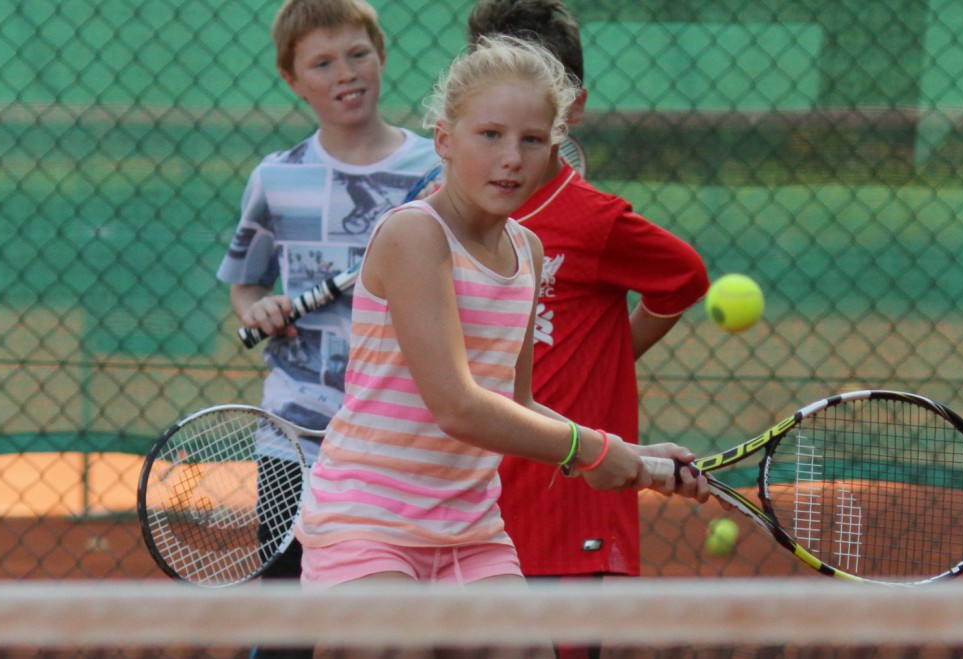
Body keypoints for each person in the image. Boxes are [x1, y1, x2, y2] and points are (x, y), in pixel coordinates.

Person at [293, 34, 707, 605]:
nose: (512, 157)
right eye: (490, 135)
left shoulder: (528, 251)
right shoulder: (415, 235)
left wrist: (634, 455)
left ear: (554, 150)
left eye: (532, 140)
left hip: (472, 531)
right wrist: (593, 451)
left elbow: (514, 402)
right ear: (443, 139)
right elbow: (457, 405)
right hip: (369, 525)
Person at [466, 0, 710, 642]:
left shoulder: (592, 219)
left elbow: (684, 278)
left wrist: (611, 358)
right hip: (467, 511)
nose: (510, 150)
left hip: (569, 513)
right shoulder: (442, 221)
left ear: (569, 106)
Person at [215, 0, 439, 656]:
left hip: (406, 440)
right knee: (290, 627)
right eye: (322, 62)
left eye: (356, 54)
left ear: (382, 55)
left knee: (399, 626)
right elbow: (246, 282)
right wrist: (257, 307)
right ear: (292, 78)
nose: (345, 73)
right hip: (294, 438)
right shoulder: (276, 177)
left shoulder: (440, 172)